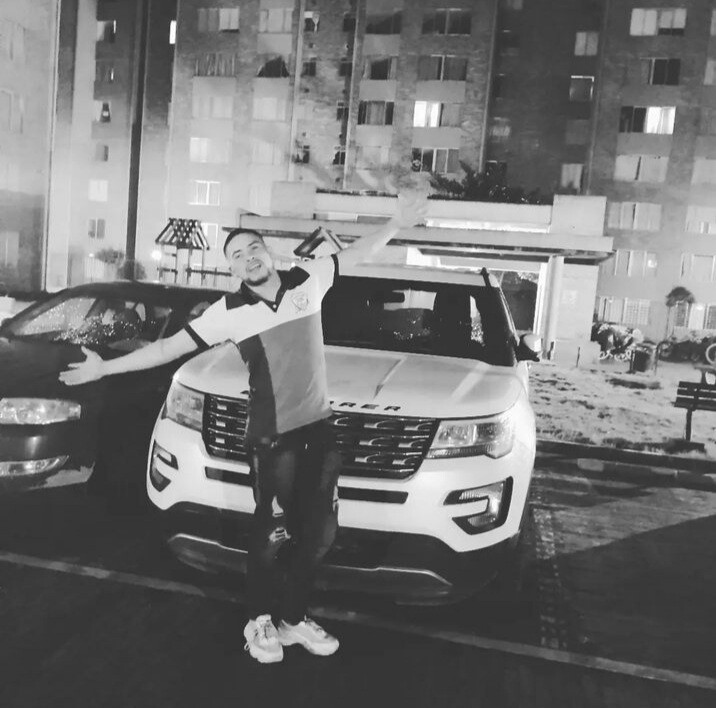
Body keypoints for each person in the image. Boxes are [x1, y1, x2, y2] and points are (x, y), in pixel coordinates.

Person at [59, 192, 427, 664]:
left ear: (267, 252)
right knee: (273, 531)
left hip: (319, 430)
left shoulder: (308, 280)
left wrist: (396, 223)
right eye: (236, 255)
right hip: (273, 437)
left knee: (320, 534)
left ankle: (293, 619)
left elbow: (357, 253)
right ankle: (259, 620)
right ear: (231, 268)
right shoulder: (227, 312)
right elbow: (168, 349)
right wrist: (104, 368)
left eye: (253, 248)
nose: (248, 258)